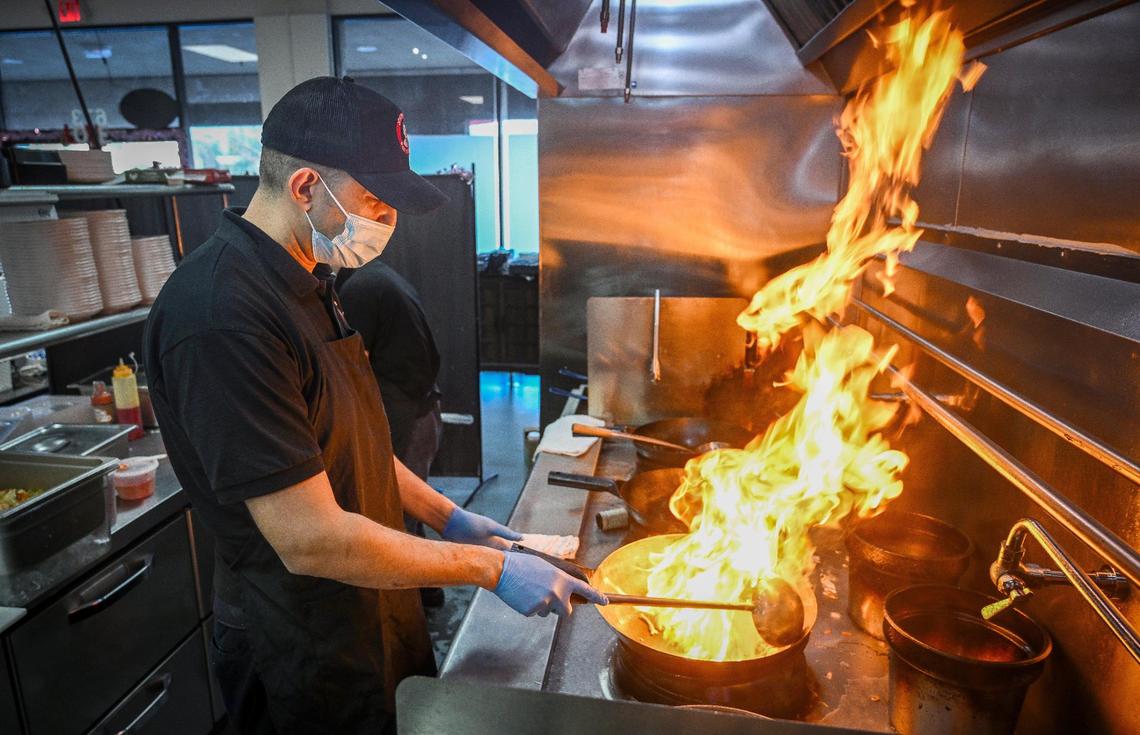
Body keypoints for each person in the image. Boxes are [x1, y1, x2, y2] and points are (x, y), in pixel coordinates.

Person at [142, 76, 604, 735]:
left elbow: (350, 444)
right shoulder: (224, 316)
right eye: (375, 201)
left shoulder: (309, 277)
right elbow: (310, 538)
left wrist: (449, 517)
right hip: (298, 637)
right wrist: (491, 567)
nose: (386, 221)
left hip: (366, 604)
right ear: (306, 187)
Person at [337, 261, 442, 482]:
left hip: (407, 417)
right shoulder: (377, 276)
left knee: (395, 507)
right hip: (421, 410)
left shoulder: (359, 289)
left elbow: (355, 368)